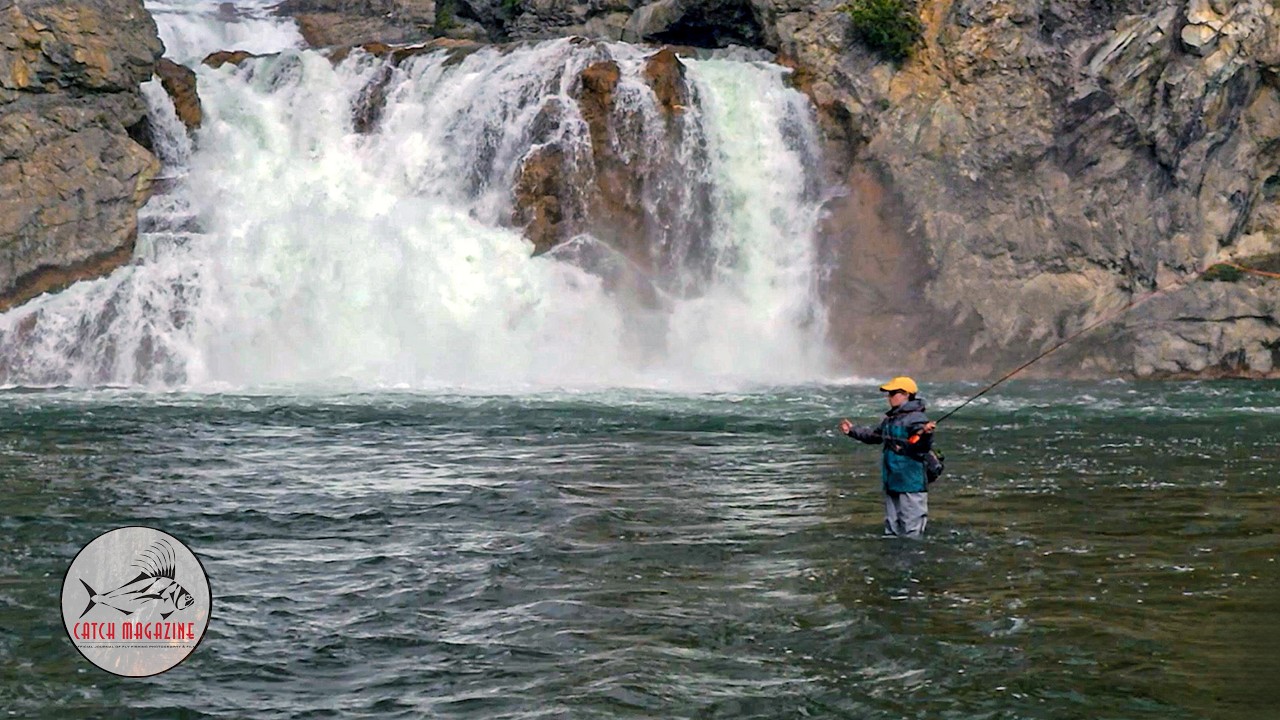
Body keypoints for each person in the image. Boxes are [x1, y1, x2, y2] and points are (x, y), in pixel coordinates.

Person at [839, 376, 937, 538]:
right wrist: (852, 431)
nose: (889, 397)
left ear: (906, 394)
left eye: (892, 393)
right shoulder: (891, 419)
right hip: (892, 480)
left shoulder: (917, 418)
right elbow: (874, 436)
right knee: (892, 528)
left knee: (912, 530)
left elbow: (923, 446)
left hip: (911, 482)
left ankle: (913, 553)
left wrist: (926, 433)